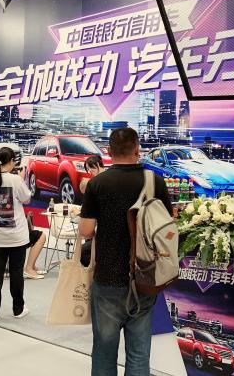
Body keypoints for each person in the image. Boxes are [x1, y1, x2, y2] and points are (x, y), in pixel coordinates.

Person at [79, 127, 172, 376]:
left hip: (107, 279)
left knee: (104, 353)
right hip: (144, 277)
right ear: (137, 149)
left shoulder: (97, 183)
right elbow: (167, 227)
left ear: (109, 151)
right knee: (139, 355)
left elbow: (86, 231)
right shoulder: (154, 182)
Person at [0, 146, 32, 319]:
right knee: (16, 272)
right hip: (17, 235)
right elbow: (26, 198)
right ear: (12, 161)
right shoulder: (15, 180)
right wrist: (22, 179)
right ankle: (18, 309)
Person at [78, 154, 105, 268]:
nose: (90, 172)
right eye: (88, 170)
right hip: (97, 228)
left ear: (98, 164)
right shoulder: (95, 182)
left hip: (104, 232)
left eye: (91, 169)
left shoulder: (100, 183)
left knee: (83, 252)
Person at [24, 213, 47, 280]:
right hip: (13, 235)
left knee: (37, 235)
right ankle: (29, 269)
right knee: (41, 236)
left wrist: (28, 218)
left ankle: (32, 266)